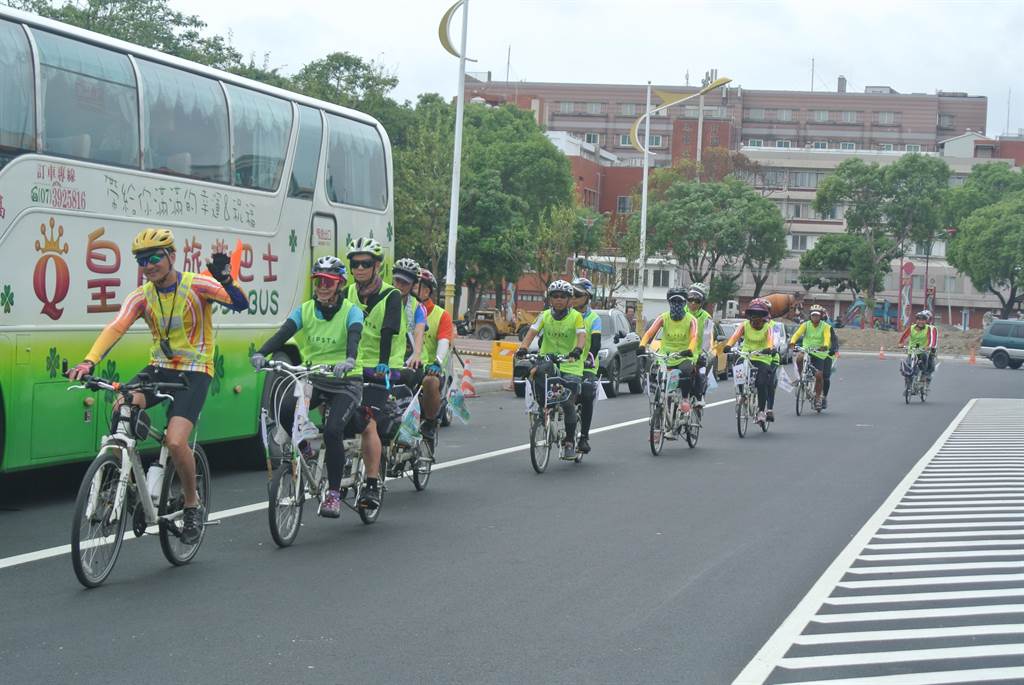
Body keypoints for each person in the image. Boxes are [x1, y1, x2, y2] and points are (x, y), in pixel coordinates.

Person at [68, 227, 249, 544]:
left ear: (171, 256)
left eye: (155, 257)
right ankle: (121, 473)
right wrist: (88, 361)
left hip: (194, 371)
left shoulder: (197, 284)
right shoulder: (142, 296)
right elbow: (116, 327)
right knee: (121, 404)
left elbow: (240, 304)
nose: (149, 265)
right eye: (142, 260)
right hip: (159, 368)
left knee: (177, 442)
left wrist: (227, 279)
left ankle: (192, 505)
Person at [250, 256, 363, 518]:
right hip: (315, 376)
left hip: (346, 381)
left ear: (340, 284)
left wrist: (349, 359)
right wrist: (261, 353)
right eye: (318, 281)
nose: (322, 286)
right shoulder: (306, 309)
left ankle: (333, 494)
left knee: (334, 430)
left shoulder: (351, 311)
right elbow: (283, 334)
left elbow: (355, 335)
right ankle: (306, 449)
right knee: (285, 410)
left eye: (329, 281)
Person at [343, 237, 404, 510]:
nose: (359, 269)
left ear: (377, 265)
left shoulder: (392, 295)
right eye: (354, 264)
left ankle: (370, 483)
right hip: (353, 364)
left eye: (365, 264)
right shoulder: (346, 293)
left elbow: (388, 331)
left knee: (369, 421)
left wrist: (382, 364)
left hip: (382, 365)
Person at [516, 280, 586, 450]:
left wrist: (577, 350)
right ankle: (543, 417)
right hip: (547, 362)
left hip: (570, 364)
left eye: (563, 297)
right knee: (542, 396)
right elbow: (531, 333)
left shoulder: (576, 317)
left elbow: (581, 336)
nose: (559, 300)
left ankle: (569, 441)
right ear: (550, 299)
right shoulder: (544, 315)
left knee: (568, 402)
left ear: (570, 300)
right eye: (555, 296)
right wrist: (523, 348)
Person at [639, 287, 698, 425]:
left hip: (684, 356)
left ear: (684, 304)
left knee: (685, 372)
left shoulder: (691, 319)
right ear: (669, 303)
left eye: (679, 302)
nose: (676, 305)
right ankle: (659, 423)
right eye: (673, 302)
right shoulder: (663, 317)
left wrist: (689, 350)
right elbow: (649, 333)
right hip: (665, 357)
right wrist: (642, 345)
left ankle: (684, 399)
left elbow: (694, 336)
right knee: (659, 382)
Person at [414, 268, 455, 446]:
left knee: (430, 382)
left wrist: (437, 363)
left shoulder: (441, 315)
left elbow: (444, 341)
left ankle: (430, 424)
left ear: (427, 290)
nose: (413, 288)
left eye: (418, 286)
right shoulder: (401, 309)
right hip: (404, 365)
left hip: (430, 367)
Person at [723, 298, 776, 425]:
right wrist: (729, 345)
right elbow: (735, 336)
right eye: (754, 315)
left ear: (764, 317)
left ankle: (761, 411)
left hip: (762, 357)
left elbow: (770, 341)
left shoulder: (768, 327)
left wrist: (769, 348)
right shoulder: (744, 325)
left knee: (761, 383)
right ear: (750, 316)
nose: (757, 319)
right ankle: (742, 395)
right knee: (738, 369)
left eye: (759, 315)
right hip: (746, 355)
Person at [571, 277, 601, 454]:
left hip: (586, 365)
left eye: (578, 294)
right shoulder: (564, 315)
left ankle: (583, 437)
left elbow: (595, 344)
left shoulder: (594, 319)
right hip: (566, 363)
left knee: (587, 393)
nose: (573, 297)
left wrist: (590, 358)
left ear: (588, 297)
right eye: (571, 293)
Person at [789, 304, 834, 409]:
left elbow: (827, 337)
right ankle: (801, 377)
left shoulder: (826, 327)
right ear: (810, 316)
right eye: (813, 315)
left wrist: (825, 346)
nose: (815, 317)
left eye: (817, 315)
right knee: (799, 358)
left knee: (819, 375)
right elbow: (797, 334)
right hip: (807, 350)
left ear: (821, 316)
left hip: (819, 353)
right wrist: (792, 342)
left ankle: (818, 398)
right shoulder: (805, 325)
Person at [392, 257, 427, 371]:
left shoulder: (418, 307)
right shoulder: (383, 300)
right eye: (397, 280)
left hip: (412, 357)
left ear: (413, 285)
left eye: (405, 283)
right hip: (389, 358)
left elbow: (419, 332)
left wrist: (417, 354)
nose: (400, 285)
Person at [685, 282, 714, 407]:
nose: (692, 303)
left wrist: (704, 353)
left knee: (700, 373)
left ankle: (699, 396)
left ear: (702, 302)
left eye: (696, 300)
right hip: (680, 352)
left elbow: (708, 338)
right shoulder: (680, 312)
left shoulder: (706, 317)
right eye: (690, 299)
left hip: (698, 352)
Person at [898, 310, 938, 382]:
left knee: (927, 359)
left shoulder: (931, 328)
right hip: (913, 349)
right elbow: (904, 336)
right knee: (908, 364)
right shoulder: (912, 327)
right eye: (919, 319)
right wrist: (901, 343)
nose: (921, 321)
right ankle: (908, 383)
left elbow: (932, 339)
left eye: (924, 319)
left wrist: (930, 346)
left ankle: (925, 374)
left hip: (926, 349)